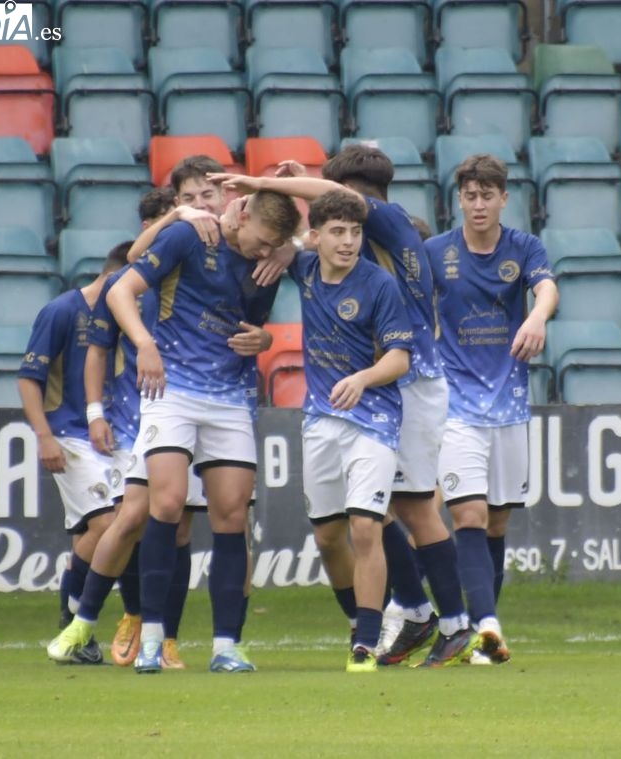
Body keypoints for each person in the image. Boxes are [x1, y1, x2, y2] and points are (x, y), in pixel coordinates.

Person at [211, 145, 479, 668]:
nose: (345, 231)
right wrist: (295, 235)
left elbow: (332, 207)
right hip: (387, 388)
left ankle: (454, 625)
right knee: (376, 509)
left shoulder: (391, 221)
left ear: (355, 195)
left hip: (411, 381)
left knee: (415, 507)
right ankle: (418, 612)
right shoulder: (366, 241)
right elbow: (324, 227)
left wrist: (264, 183)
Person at [107, 188, 301, 674]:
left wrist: (266, 338)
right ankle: (153, 639)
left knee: (231, 516)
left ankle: (225, 646)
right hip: (171, 387)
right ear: (242, 213)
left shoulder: (269, 262)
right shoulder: (190, 236)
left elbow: (254, 324)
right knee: (167, 503)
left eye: (273, 245)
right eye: (262, 241)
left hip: (230, 396)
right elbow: (119, 291)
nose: (264, 251)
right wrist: (144, 343)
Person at [47, 182, 213, 669]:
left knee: (179, 528)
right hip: (131, 421)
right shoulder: (126, 281)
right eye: (182, 208)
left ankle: (166, 638)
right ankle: (114, 617)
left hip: (191, 413)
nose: (195, 215)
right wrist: (94, 413)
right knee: (128, 518)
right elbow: (97, 351)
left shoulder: (203, 276)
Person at [423, 154, 559, 665]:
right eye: (470, 196)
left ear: (504, 198)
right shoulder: (436, 252)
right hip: (455, 408)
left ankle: (484, 638)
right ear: (459, 200)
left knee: (496, 524)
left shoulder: (524, 247)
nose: (478, 204)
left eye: (487, 195)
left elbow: (546, 288)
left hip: (509, 409)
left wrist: (537, 317)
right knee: (470, 515)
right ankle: (487, 624)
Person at [291, 190, 413, 672]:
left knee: (365, 526)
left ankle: (366, 642)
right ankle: (356, 620)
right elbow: (262, 238)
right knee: (327, 536)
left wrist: (362, 379)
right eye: (337, 232)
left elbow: (399, 358)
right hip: (321, 421)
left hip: (375, 419)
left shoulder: (379, 284)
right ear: (315, 237)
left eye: (355, 232)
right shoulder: (302, 269)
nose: (348, 242)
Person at [19, 243, 132, 664]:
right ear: (115, 277)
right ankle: (74, 621)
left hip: (113, 436)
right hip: (68, 433)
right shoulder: (62, 311)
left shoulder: (126, 315)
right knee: (108, 522)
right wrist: (44, 436)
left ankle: (78, 625)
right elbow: (29, 378)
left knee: (112, 527)